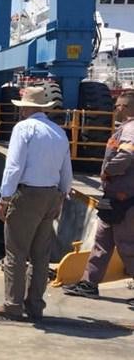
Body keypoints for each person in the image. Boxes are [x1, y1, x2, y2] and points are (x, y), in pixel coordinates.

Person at [0, 85, 73, 322]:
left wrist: (5, 197)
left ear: (27, 107)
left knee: (16, 251)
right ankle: (35, 305)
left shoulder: (24, 129)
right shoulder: (59, 132)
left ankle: (13, 304)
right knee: (41, 254)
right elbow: (66, 170)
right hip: (51, 195)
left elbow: (14, 166)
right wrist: (62, 196)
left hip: (27, 194)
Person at [63, 90, 134, 298]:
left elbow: (126, 156)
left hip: (123, 199)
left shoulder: (130, 129)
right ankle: (89, 283)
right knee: (101, 242)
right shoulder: (123, 129)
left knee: (127, 246)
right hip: (111, 198)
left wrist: (108, 170)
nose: (115, 109)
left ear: (127, 108)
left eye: (118, 106)